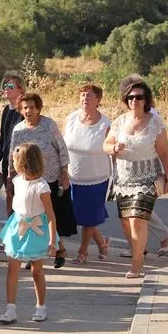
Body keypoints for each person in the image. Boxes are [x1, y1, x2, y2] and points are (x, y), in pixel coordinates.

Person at [103, 80, 168, 279]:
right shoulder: (119, 121)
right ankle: (138, 254)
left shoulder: (154, 122)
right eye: (131, 97)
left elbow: (165, 153)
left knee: (136, 219)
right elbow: (106, 145)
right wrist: (114, 148)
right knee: (126, 221)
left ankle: (137, 265)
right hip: (123, 178)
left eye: (139, 97)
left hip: (148, 177)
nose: (134, 100)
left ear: (146, 100)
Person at [9, 92, 75, 269]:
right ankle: (33, 256)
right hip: (28, 181)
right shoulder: (18, 130)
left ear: (38, 108)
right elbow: (12, 155)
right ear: (20, 110)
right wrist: (10, 177)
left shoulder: (48, 125)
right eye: (25, 108)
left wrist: (64, 173)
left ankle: (58, 249)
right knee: (31, 217)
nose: (28, 111)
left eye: (32, 107)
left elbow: (62, 149)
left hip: (49, 179)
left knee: (50, 216)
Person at [0, 143, 57, 324]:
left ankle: (41, 307)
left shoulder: (41, 186)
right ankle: (10, 308)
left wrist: (53, 241)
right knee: (12, 270)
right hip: (18, 227)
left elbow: (50, 215)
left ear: (23, 163)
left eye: (15, 160)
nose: (12, 163)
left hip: (37, 230)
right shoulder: (17, 181)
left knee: (36, 270)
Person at [64, 84, 111, 263]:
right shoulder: (70, 119)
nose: (85, 99)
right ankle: (102, 243)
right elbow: (62, 145)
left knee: (89, 218)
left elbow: (111, 151)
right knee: (79, 214)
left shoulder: (106, 125)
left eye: (90, 96)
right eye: (83, 95)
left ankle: (82, 251)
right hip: (72, 175)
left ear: (98, 100)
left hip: (96, 178)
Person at [0, 71, 25, 220]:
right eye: (5, 85)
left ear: (20, 89)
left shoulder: (25, 111)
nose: (6, 88)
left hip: (21, 163)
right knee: (9, 198)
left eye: (10, 86)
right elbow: (2, 137)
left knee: (19, 200)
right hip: (6, 162)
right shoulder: (6, 110)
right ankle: (10, 235)